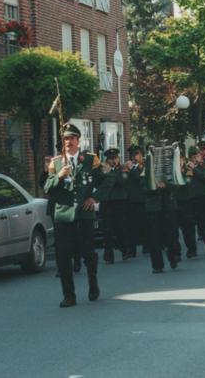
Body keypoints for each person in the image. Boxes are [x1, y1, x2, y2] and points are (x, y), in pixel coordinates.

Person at [44, 123, 105, 308]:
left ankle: (93, 285)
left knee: (88, 253)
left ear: (78, 140)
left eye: (71, 138)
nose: (68, 142)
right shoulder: (56, 162)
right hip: (63, 216)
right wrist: (59, 177)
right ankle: (69, 295)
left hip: (84, 215)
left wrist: (94, 197)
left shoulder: (90, 160)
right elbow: (47, 188)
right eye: (65, 139)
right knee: (63, 257)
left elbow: (105, 182)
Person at [100, 148, 130, 263]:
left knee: (120, 228)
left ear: (118, 159)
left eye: (115, 158)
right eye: (110, 159)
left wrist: (110, 173)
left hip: (119, 202)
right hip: (106, 202)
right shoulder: (103, 170)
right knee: (107, 230)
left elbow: (122, 182)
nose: (113, 161)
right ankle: (108, 256)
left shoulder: (122, 170)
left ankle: (124, 249)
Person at [125, 145, 146, 257]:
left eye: (137, 154)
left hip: (141, 199)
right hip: (130, 200)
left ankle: (147, 246)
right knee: (130, 226)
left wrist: (132, 169)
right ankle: (131, 250)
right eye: (133, 155)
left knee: (144, 224)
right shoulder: (127, 168)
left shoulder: (143, 167)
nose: (135, 157)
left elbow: (140, 180)